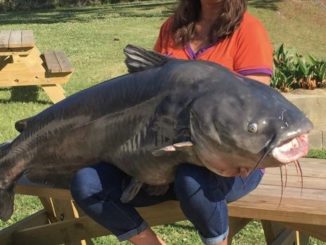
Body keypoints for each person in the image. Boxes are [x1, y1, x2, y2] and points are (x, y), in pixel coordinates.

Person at [70, 0, 273, 244]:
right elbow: (151, 95)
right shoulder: (172, 28)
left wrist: (241, 159)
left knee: (190, 178)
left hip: (231, 165)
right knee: (88, 183)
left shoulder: (249, 31)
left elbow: (259, 111)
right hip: (157, 164)